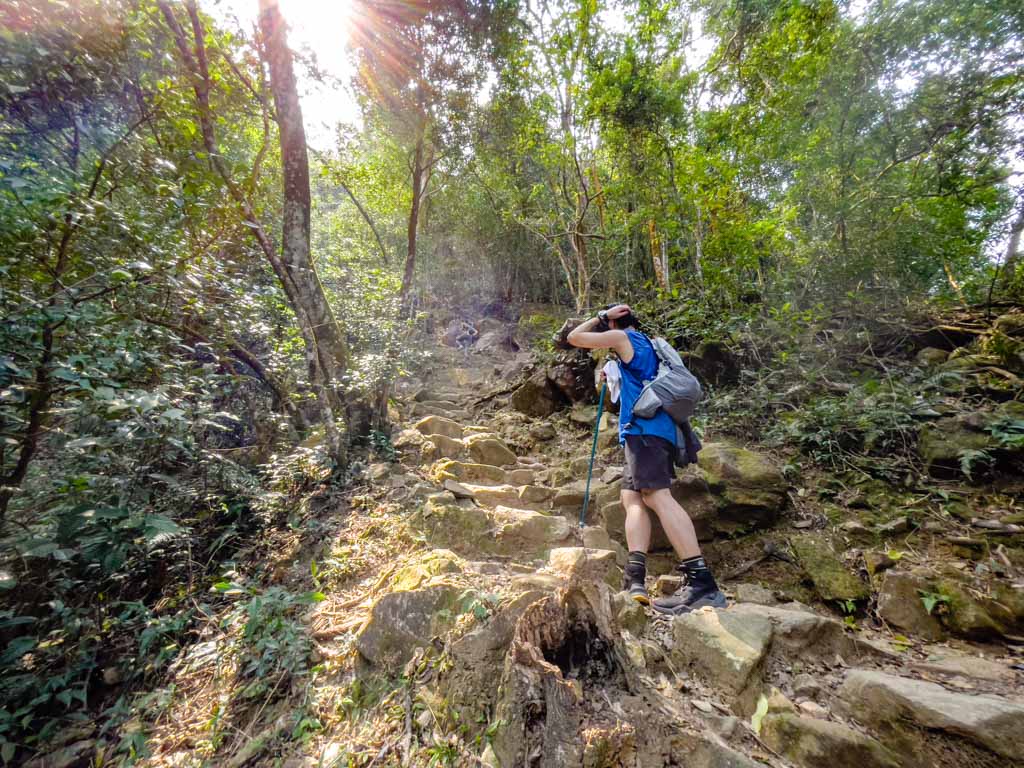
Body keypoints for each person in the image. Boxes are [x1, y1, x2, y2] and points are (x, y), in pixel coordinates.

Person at [567, 303, 726, 614]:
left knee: (656, 496)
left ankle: (702, 584)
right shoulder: (648, 346)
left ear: (614, 323)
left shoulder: (623, 338)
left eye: (607, 324)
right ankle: (635, 578)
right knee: (632, 498)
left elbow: (574, 338)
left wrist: (600, 318)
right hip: (654, 430)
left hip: (645, 431)